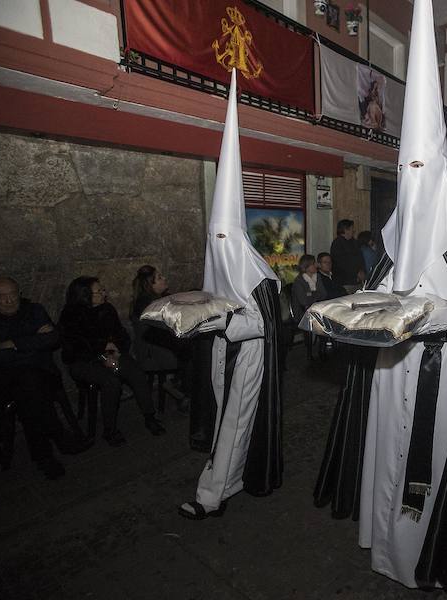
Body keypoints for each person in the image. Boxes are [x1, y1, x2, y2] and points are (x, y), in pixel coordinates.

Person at [314, 0, 447, 589]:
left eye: (424, 172)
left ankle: (428, 554)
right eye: (406, 175)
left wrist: (442, 315)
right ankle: (385, 550)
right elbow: (375, 298)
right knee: (386, 463)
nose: (414, 189)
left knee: (431, 465)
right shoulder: (395, 239)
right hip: (389, 374)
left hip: (444, 379)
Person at [178, 68, 282, 520]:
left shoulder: (261, 276)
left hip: (251, 356)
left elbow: (266, 323)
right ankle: (229, 479)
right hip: (222, 354)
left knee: (236, 425)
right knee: (227, 423)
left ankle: (210, 495)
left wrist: (222, 322)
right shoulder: (218, 269)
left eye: (227, 240)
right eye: (214, 239)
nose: (220, 249)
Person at [0, 277, 89, 479]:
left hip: (42, 374)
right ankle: (57, 435)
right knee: (29, 385)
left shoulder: (34, 311)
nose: (9, 301)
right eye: (1, 297)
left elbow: (54, 338)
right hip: (4, 380)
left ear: (19, 293)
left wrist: (13, 343)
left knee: (30, 386)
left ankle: (43, 455)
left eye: (13, 294)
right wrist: (35, 342)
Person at [59, 276, 165, 446]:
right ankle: (110, 429)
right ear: (84, 295)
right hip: (84, 361)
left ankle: (149, 416)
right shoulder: (71, 315)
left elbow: (121, 335)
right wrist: (103, 351)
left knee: (135, 372)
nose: (104, 293)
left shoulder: (107, 309)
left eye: (103, 290)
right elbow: (76, 346)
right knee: (111, 382)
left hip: (110, 354)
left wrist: (115, 352)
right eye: (98, 291)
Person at [131, 265, 190, 411]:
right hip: (152, 350)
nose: (164, 279)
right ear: (150, 285)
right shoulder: (147, 304)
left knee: (192, 346)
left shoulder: (159, 299)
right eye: (159, 278)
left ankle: (179, 385)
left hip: (160, 344)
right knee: (191, 352)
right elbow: (163, 329)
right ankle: (184, 391)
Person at [291, 254, 328, 361]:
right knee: (317, 319)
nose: (316, 266)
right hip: (302, 312)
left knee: (326, 317)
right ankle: (310, 351)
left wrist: (311, 294)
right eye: (313, 264)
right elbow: (303, 301)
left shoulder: (318, 277)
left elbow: (324, 294)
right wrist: (315, 295)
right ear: (306, 267)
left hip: (315, 309)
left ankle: (323, 347)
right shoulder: (299, 281)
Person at [330, 219, 365, 290]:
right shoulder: (337, 244)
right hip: (345, 281)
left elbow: (360, 258)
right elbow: (341, 262)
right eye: (352, 228)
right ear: (346, 229)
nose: (353, 230)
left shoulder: (354, 242)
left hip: (357, 281)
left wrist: (361, 270)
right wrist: (356, 273)